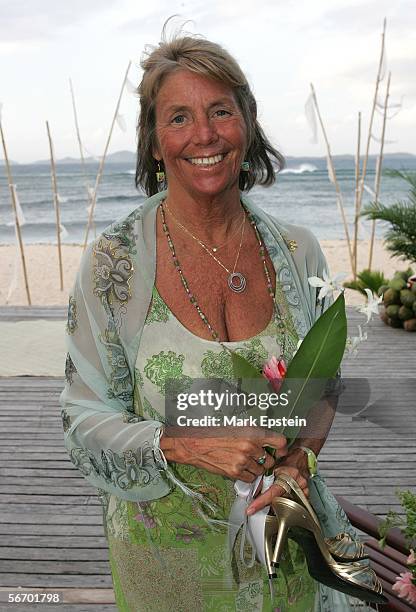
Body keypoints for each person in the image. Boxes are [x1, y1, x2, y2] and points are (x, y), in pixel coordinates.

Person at [60, 29, 376, 611]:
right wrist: (184, 443)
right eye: (178, 117)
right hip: (170, 566)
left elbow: (321, 384)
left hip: (285, 551)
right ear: (155, 143)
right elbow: (83, 415)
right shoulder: (115, 265)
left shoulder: (299, 252)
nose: (203, 135)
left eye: (220, 112)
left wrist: (301, 460)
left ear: (246, 125)